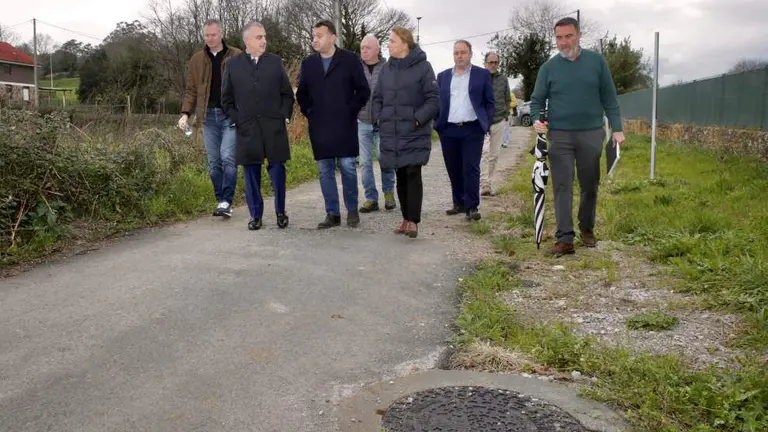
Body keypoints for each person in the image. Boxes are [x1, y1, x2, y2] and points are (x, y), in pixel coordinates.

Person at [530, 17, 625, 257]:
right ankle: (565, 238)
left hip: (591, 133)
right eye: (559, 38)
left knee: (589, 184)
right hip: (560, 135)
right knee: (562, 185)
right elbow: (537, 100)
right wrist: (536, 120)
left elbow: (610, 98)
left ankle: (587, 226)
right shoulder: (548, 68)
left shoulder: (597, 62)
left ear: (578, 35)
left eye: (568, 36)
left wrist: (617, 128)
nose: (563, 42)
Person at [296, 20, 370, 229]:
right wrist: (310, 112)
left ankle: (352, 210)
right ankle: (332, 213)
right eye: (313, 36)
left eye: (319, 35)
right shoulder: (309, 63)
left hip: (344, 125)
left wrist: (350, 110)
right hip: (319, 126)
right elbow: (302, 93)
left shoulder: (349, 60)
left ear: (332, 37)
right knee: (324, 169)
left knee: (347, 167)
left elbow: (363, 90)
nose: (315, 40)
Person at [220, 21, 294, 230]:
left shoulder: (275, 62)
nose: (264, 41)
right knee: (251, 173)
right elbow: (226, 99)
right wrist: (236, 119)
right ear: (246, 41)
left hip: (274, 127)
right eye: (259, 37)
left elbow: (287, 94)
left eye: (264, 37)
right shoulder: (233, 65)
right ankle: (256, 216)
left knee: (278, 170)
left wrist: (283, 116)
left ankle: (281, 211)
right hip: (247, 128)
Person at [372, 26, 439, 238]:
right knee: (400, 173)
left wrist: (418, 119)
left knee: (412, 172)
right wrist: (378, 118)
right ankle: (405, 218)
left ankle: (413, 220)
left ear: (405, 43)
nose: (388, 45)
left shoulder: (423, 67)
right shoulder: (386, 69)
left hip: (413, 131)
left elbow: (434, 99)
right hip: (391, 131)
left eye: (392, 41)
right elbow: (377, 98)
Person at [178, 19, 242, 218]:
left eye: (213, 34)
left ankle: (226, 201)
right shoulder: (197, 59)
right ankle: (221, 200)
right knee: (214, 163)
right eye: (206, 35)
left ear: (221, 34)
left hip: (229, 116)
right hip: (207, 117)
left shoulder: (237, 55)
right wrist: (185, 114)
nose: (210, 38)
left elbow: (247, 86)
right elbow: (191, 90)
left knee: (228, 158)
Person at [433, 40, 495, 221]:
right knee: (453, 167)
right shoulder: (443, 76)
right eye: (456, 53)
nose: (459, 56)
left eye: (462, 52)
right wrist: (438, 123)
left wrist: (486, 122)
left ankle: (472, 206)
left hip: (472, 128)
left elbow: (490, 102)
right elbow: (437, 102)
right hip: (449, 129)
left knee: (471, 167)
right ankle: (458, 203)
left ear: (470, 54)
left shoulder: (481, 74)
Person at [357, 34, 396, 213]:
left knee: (383, 157)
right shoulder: (356, 68)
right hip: (362, 121)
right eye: (362, 48)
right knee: (365, 162)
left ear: (377, 50)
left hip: (383, 122)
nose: (364, 51)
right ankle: (371, 198)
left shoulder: (388, 68)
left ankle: (389, 192)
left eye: (367, 47)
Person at [479, 51, 511, 196]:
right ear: (485, 63)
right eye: (490, 62)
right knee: (484, 153)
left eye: (495, 63)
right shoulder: (479, 78)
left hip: (498, 121)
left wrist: (505, 115)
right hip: (482, 122)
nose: (493, 65)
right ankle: (484, 183)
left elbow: (507, 99)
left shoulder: (503, 79)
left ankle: (489, 182)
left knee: (494, 154)